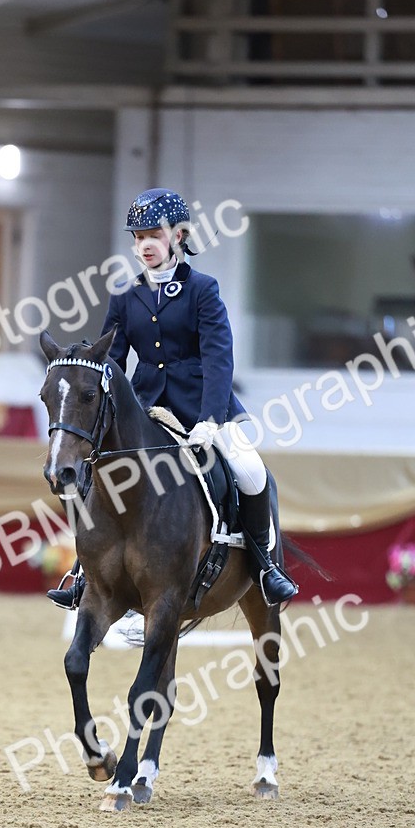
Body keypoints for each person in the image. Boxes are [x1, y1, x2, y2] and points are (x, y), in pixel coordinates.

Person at [47, 186, 298, 610]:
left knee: (252, 472)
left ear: (177, 236)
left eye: (154, 235)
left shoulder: (203, 289)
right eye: (138, 236)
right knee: (93, 477)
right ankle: (84, 572)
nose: (144, 244)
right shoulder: (125, 296)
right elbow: (112, 362)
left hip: (202, 407)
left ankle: (264, 567)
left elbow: (219, 359)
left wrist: (210, 419)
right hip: (146, 409)